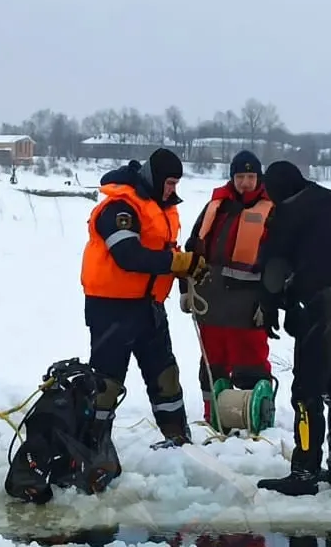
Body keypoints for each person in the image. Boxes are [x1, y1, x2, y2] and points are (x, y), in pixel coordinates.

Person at [252, 160, 331, 496]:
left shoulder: (289, 213)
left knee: (306, 393)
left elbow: (274, 267)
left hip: (324, 306)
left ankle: (304, 471)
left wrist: (270, 304)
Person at [80, 148, 207, 450]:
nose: (173, 190)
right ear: (155, 178)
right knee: (106, 384)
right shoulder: (119, 208)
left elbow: (165, 252)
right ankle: (91, 446)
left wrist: (185, 277)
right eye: (170, 183)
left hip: (149, 307)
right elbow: (128, 256)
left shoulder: (161, 208)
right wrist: (175, 263)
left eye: (177, 183)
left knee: (166, 376)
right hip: (112, 308)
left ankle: (177, 439)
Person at [179, 150, 276, 422]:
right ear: (232, 177)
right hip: (210, 302)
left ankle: (256, 416)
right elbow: (193, 249)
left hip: (248, 306)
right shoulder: (216, 207)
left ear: (260, 178)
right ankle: (214, 416)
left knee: (250, 362)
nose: (245, 182)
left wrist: (269, 303)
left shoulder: (272, 211)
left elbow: (280, 262)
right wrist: (186, 291)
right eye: (240, 176)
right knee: (212, 364)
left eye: (251, 176)